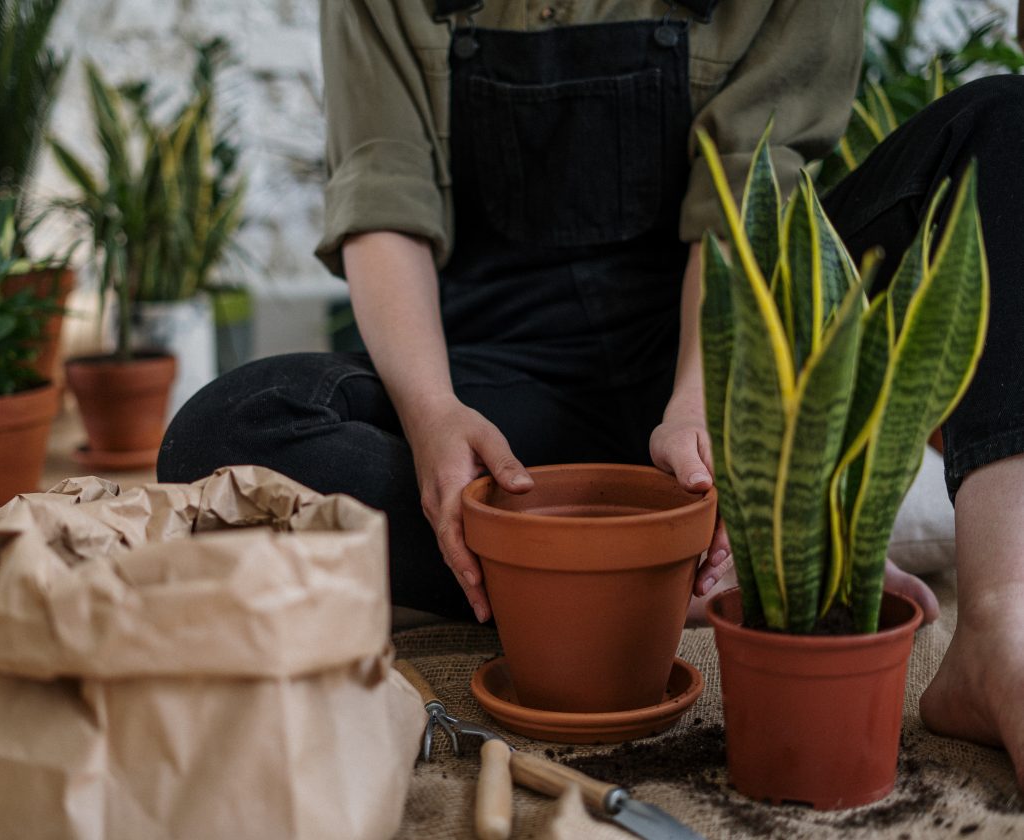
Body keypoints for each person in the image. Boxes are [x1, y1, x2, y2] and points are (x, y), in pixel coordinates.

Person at [158, 1, 1024, 789]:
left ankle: (998, 630)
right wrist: (432, 416)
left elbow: (748, 197)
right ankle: (658, 571)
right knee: (226, 431)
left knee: (1003, 123)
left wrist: (701, 402)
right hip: (497, 385)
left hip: (730, 343)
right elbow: (385, 200)